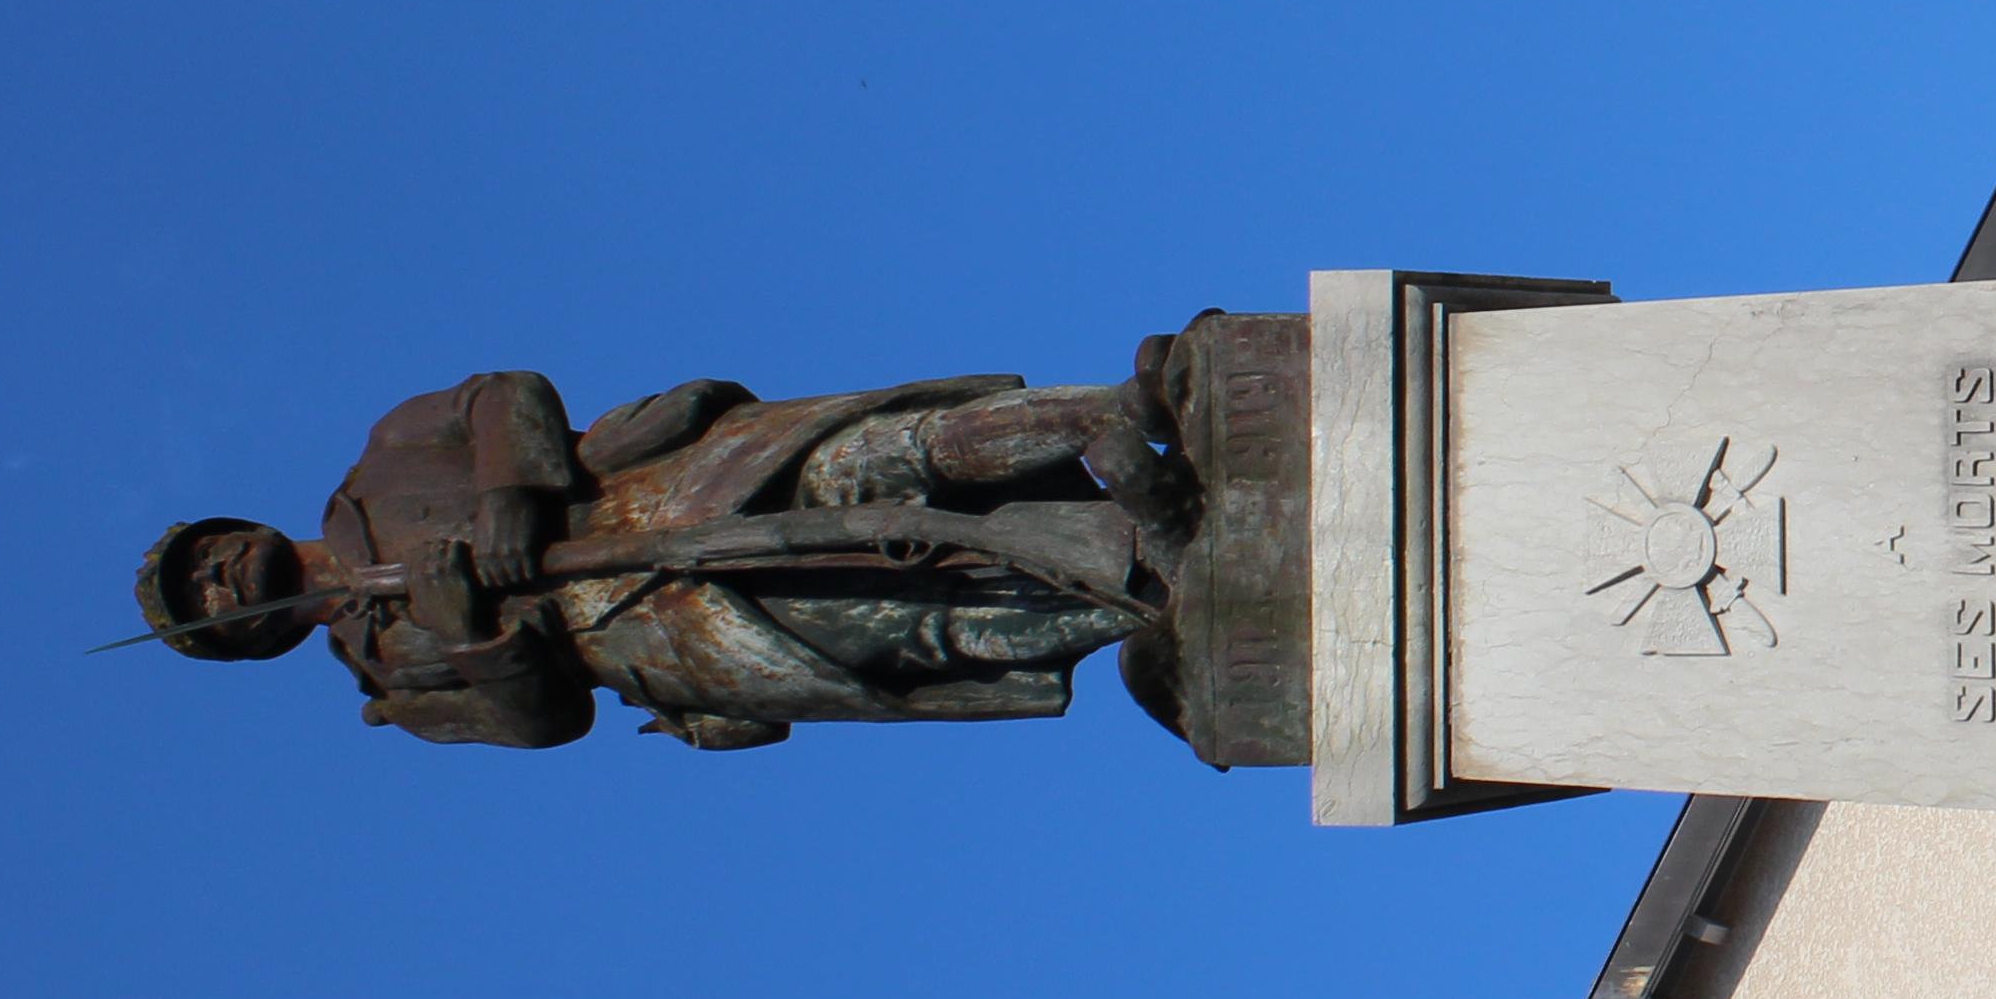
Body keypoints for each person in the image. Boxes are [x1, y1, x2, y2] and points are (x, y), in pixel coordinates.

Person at [139, 342, 1215, 753]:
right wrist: (477, 643)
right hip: (650, 633)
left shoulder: (383, 459)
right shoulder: (394, 688)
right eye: (207, 602)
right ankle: (1151, 609)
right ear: (248, 643)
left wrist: (513, 491)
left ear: (231, 526)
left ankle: (1110, 417)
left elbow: (502, 393)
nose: (218, 577)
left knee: (873, 460)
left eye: (206, 556)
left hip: (656, 498)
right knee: (911, 630)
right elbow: (544, 725)